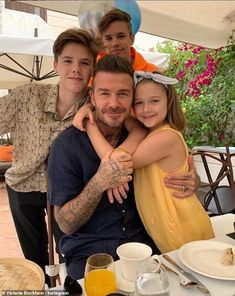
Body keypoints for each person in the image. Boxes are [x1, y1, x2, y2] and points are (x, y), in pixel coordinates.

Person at [0, 28, 101, 283]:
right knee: (34, 259)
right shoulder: (27, 95)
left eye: (84, 63)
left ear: (91, 70)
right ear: (56, 64)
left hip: (67, 193)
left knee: (70, 251)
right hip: (23, 187)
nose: (75, 69)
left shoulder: (95, 106)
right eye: (68, 61)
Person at [47, 55, 161, 281]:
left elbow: (173, 172)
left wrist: (189, 181)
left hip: (142, 243)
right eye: (105, 93)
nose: (114, 103)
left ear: (132, 98)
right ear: (92, 97)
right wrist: (99, 182)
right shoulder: (66, 146)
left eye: (122, 94)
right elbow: (65, 224)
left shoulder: (146, 138)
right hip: (89, 251)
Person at [82, 70, 215, 253]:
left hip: (183, 227)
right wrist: (91, 108)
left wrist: (89, 124)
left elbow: (117, 164)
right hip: (168, 229)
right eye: (139, 103)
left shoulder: (166, 137)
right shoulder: (149, 133)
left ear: (168, 101)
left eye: (154, 101)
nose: (146, 109)